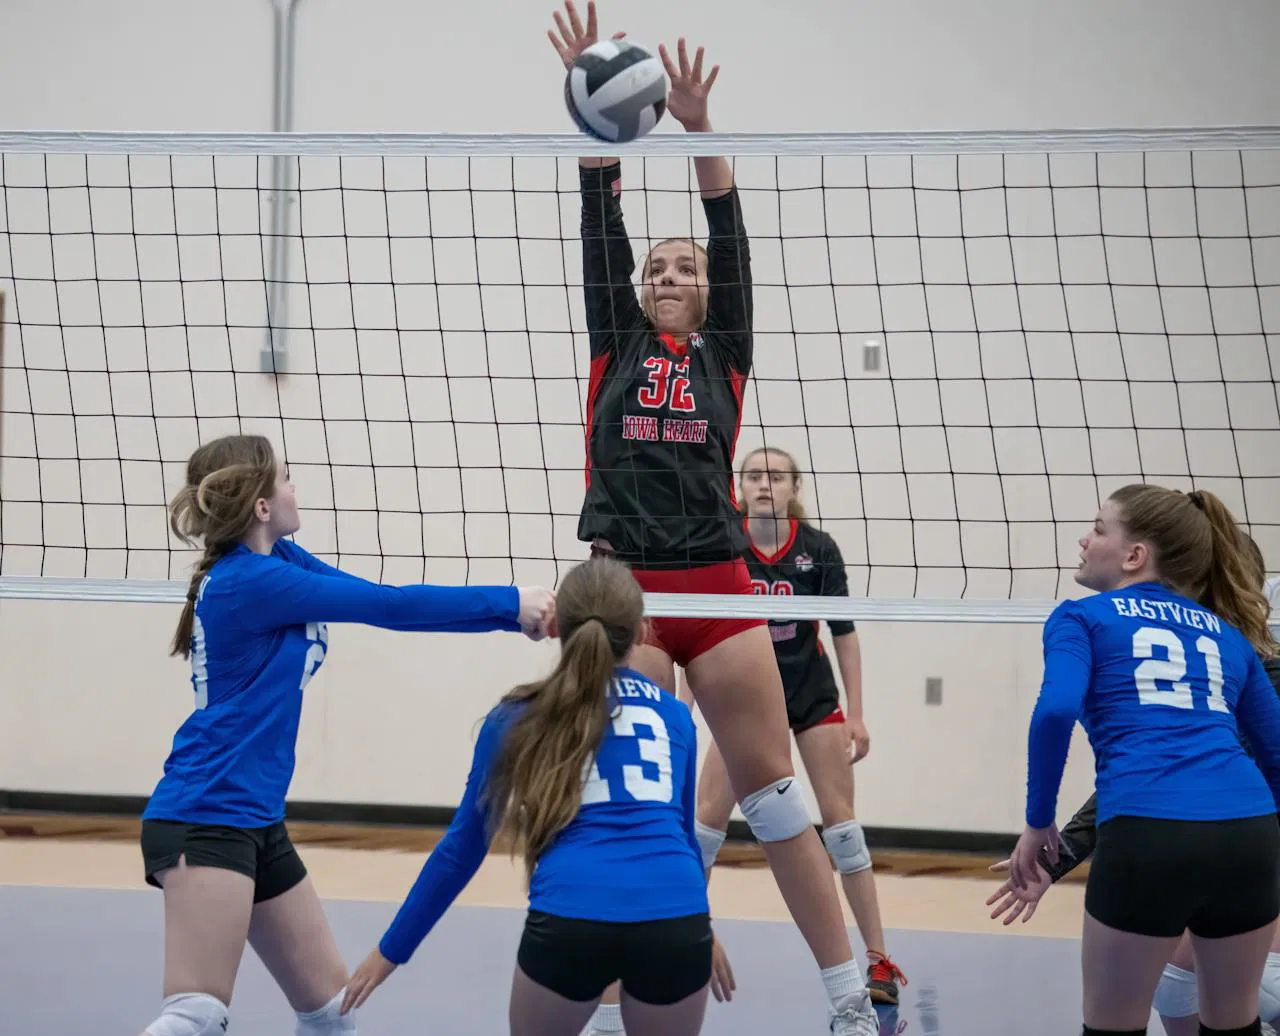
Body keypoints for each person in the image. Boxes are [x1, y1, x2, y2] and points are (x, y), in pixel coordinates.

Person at [551, 4, 877, 1034]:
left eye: (683, 269)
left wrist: (699, 131)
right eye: (656, 269)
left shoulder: (724, 351)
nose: (668, 276)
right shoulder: (615, 338)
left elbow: (727, 231)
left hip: (718, 580)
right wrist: (592, 117)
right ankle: (634, 962)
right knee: (639, 794)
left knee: (772, 796)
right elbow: (597, 223)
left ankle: (849, 996)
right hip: (626, 591)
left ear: (704, 292)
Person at [136, 433, 554, 1036]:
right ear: (261, 506)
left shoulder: (281, 562)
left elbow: (386, 607)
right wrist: (511, 602)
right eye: (286, 478)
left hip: (255, 818)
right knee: (197, 1014)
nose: (295, 488)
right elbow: (389, 606)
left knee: (330, 1014)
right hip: (205, 815)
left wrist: (513, 620)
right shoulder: (250, 582)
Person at [338, 556, 715, 1036]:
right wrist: (702, 929)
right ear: (642, 631)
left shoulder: (516, 716)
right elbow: (683, 841)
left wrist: (388, 953)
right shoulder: (675, 717)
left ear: (556, 627)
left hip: (570, 917)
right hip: (677, 920)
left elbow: (461, 850)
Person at [1009, 485, 1280, 1035]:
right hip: (1247, 835)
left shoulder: (1080, 618)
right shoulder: (1229, 636)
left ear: (1135, 555)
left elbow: (1055, 712)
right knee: (1233, 1020)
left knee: (1115, 1023)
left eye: (1098, 528)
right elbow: (1276, 752)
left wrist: (1039, 822)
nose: (1084, 540)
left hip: (1148, 833)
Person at [691, 446, 906, 1005]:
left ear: (795, 487)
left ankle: (879, 961)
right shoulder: (723, 544)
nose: (765, 484)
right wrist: (682, 711)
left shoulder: (818, 549)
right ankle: (680, 938)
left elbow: (844, 632)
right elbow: (694, 632)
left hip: (809, 693)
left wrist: (856, 712)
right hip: (744, 698)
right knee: (704, 827)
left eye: (776, 476)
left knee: (844, 831)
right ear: (739, 487)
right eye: (754, 476)